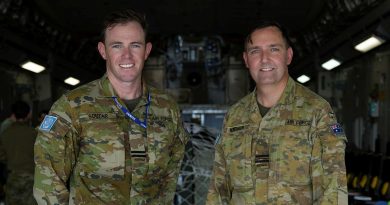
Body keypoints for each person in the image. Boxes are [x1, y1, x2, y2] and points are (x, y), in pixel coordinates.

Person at [34, 9, 189, 204]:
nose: (127, 56)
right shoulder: (72, 107)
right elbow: (47, 182)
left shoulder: (167, 109)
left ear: (147, 50)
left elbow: (170, 175)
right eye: (117, 46)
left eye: (135, 45)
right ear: (102, 50)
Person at [206, 21, 348, 204]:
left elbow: (334, 192)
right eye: (255, 51)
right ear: (246, 60)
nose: (264, 59)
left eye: (274, 49)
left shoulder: (316, 112)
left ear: (288, 56)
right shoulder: (235, 116)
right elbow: (218, 189)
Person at [0, 100, 37, 205]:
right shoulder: (34, 134)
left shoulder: (5, 134)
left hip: (13, 177)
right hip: (31, 178)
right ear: (29, 114)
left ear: (14, 114)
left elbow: (2, 156)